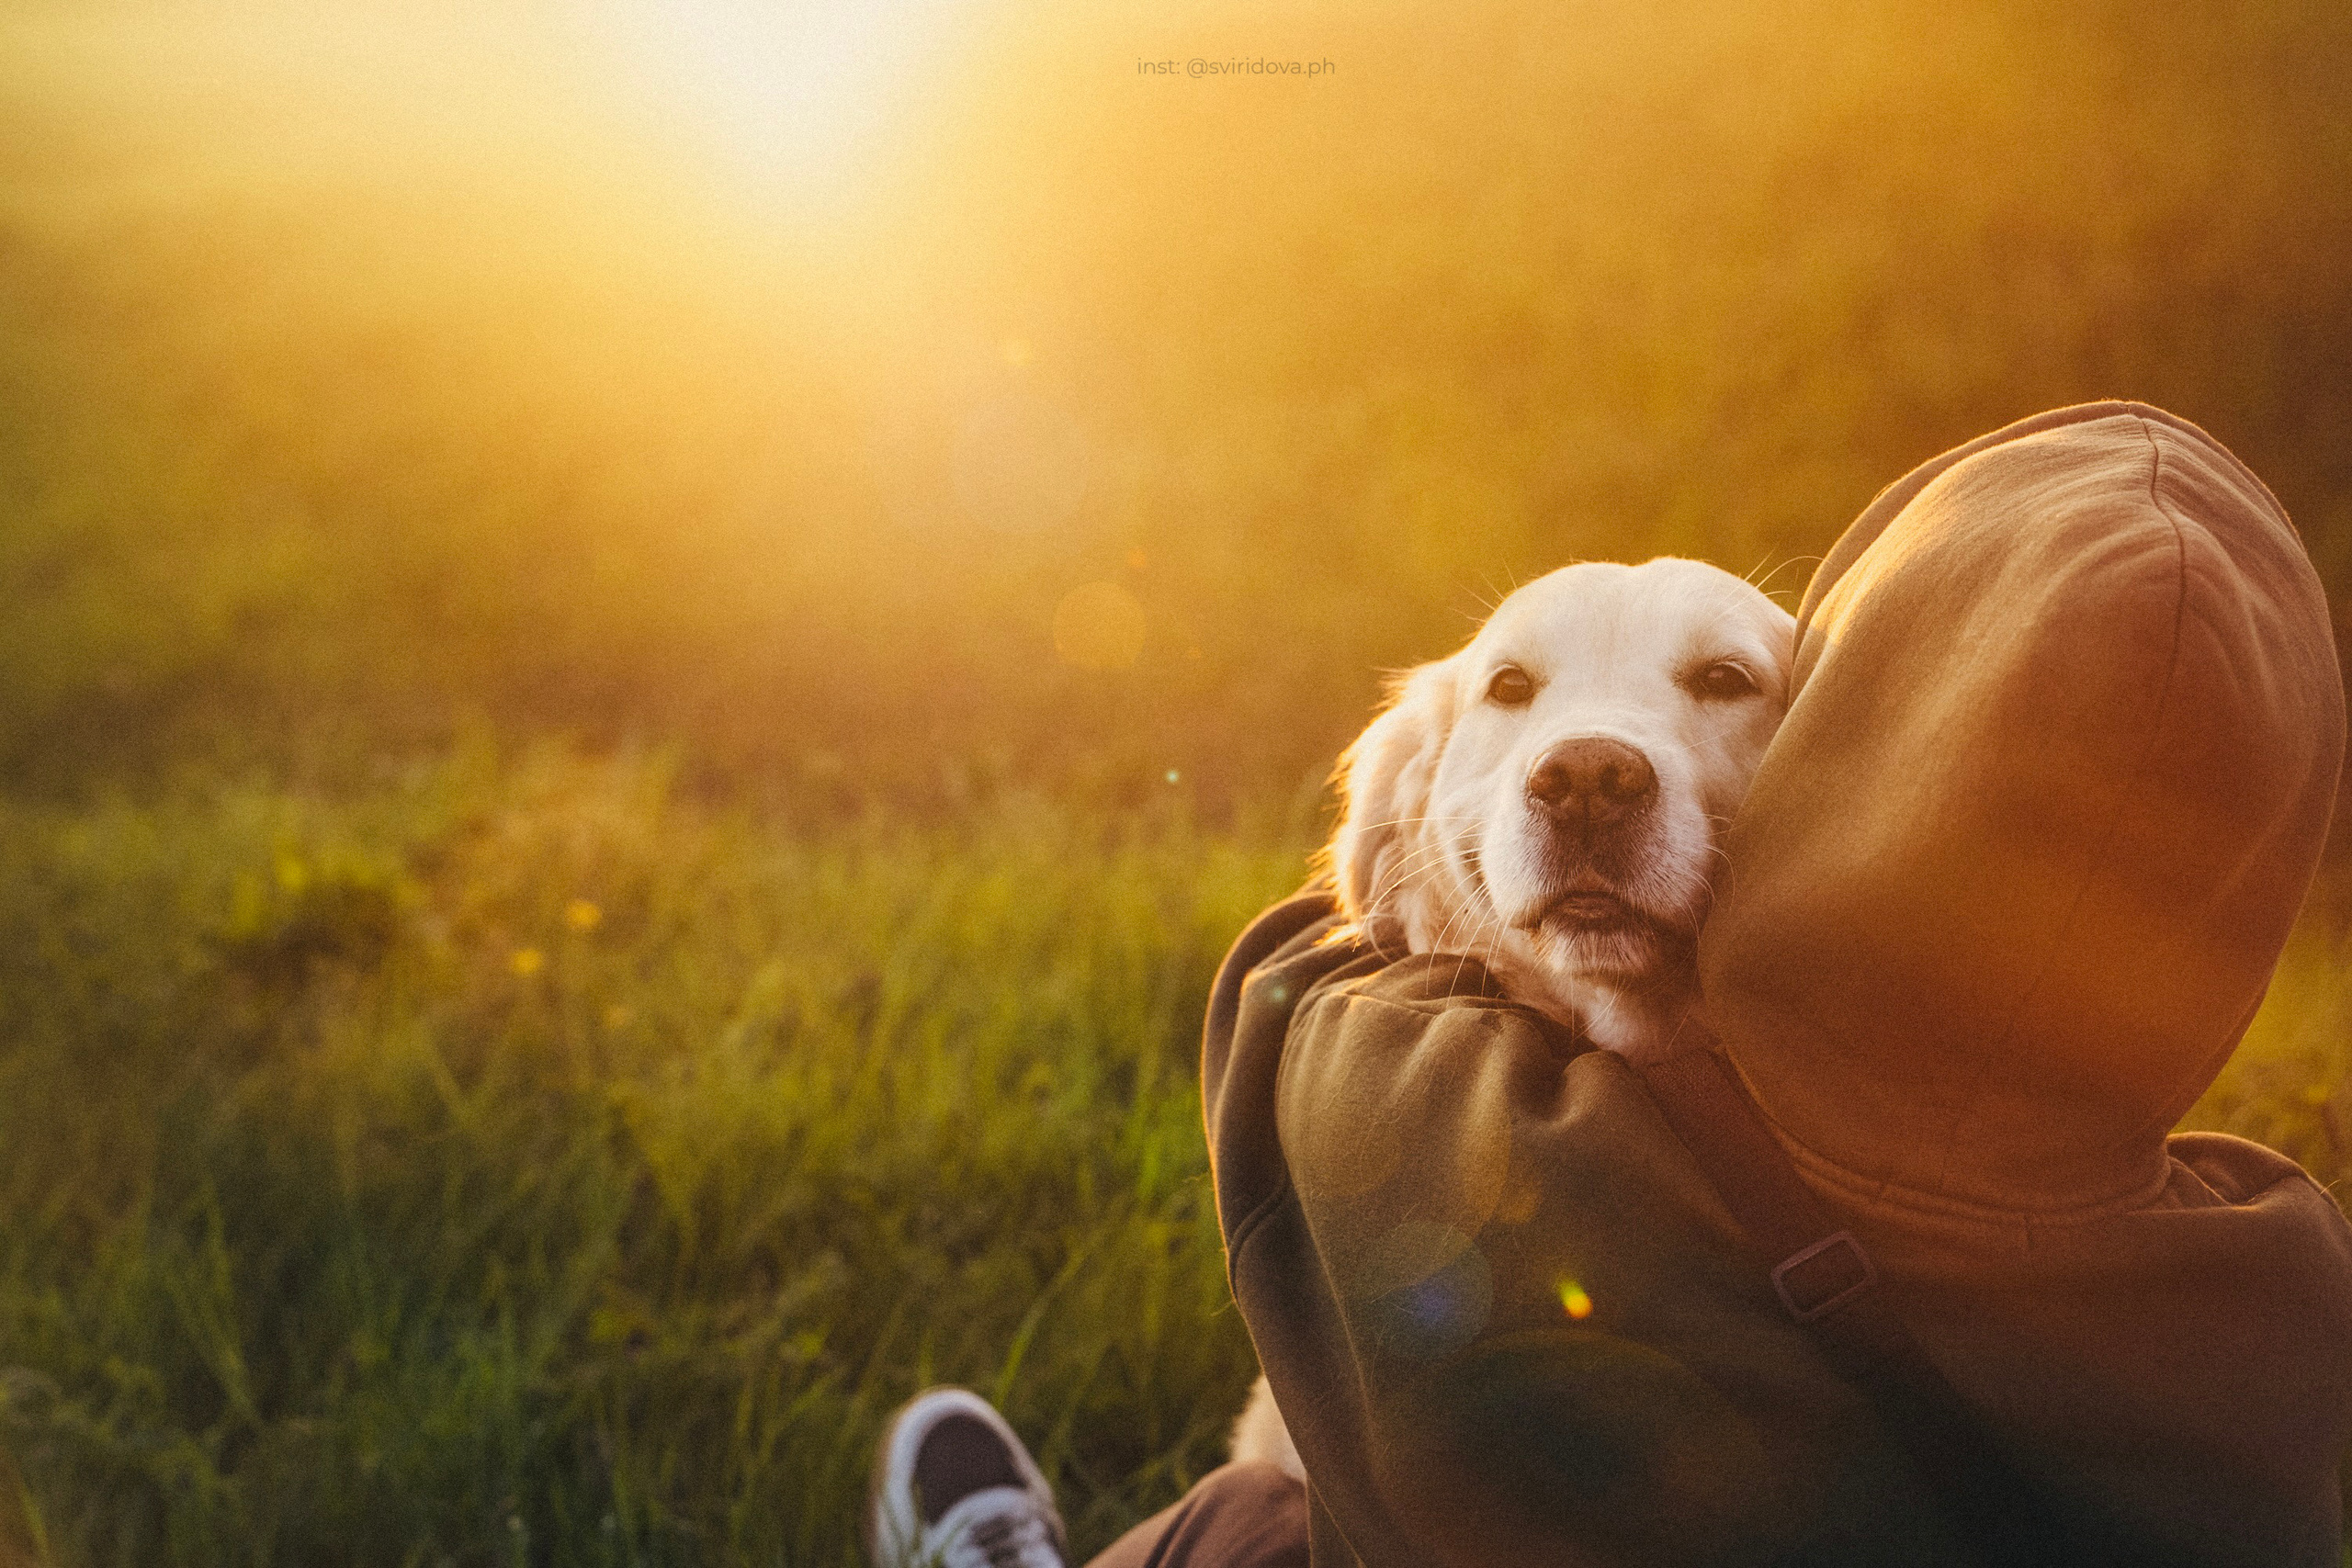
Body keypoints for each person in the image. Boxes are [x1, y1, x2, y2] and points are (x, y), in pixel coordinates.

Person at [865, 402, 2352, 1567]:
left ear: (1858, 777)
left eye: (1724, 684)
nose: (1588, 763)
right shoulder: (2270, 1275)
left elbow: (1297, 984)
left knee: (1249, 1524)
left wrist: (1387, 878)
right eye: (1515, 692)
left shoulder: (1432, 1133)